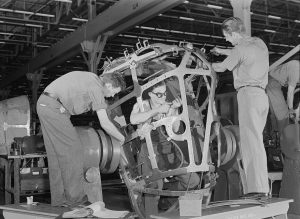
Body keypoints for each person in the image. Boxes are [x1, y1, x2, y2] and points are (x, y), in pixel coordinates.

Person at [36, 71, 126, 207]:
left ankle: (59, 200)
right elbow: (104, 123)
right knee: (74, 150)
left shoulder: (90, 79)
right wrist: (121, 138)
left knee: (56, 156)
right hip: (53, 108)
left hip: (46, 104)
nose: (113, 95)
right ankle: (76, 200)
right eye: (114, 91)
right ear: (107, 84)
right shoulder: (97, 86)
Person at [211, 17, 270, 196]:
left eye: (227, 36)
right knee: (257, 143)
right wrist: (221, 50)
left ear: (233, 33)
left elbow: (221, 68)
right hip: (261, 96)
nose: (227, 40)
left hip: (248, 96)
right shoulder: (258, 43)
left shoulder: (240, 48)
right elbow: (239, 52)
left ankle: (256, 190)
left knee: (250, 144)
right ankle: (262, 188)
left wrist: (205, 64)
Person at [130, 79, 200, 210]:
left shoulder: (168, 105)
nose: (163, 97)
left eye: (164, 93)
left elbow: (176, 128)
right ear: (150, 94)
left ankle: (171, 203)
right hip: (150, 153)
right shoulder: (142, 105)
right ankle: (149, 214)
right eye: (159, 94)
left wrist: (174, 111)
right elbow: (133, 119)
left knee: (193, 180)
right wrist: (157, 111)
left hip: (169, 151)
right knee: (154, 187)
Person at [266, 60, 300, 133]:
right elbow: (290, 93)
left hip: (271, 81)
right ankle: (285, 138)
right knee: (283, 112)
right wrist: (290, 109)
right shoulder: (296, 68)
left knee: (275, 112)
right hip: (273, 81)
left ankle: (275, 135)